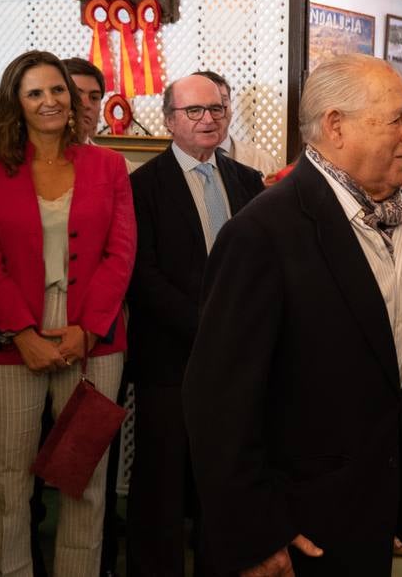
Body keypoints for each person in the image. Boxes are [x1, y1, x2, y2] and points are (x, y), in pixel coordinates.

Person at [182, 54, 402, 576]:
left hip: (368, 507)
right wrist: (255, 531)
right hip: (292, 528)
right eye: (397, 119)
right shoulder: (262, 235)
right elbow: (217, 404)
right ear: (335, 126)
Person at [0, 50, 135, 577]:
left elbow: (120, 252)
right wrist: (21, 333)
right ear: (16, 102)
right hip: (14, 336)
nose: (50, 101)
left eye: (58, 90)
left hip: (93, 337)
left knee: (86, 478)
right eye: (35, 93)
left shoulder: (108, 164)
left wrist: (90, 329)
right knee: (9, 479)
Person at [126, 75, 266, 576]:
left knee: (222, 474)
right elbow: (142, 275)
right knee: (161, 479)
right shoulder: (142, 185)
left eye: (217, 109)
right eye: (193, 111)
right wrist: (205, 327)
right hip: (169, 356)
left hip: (235, 359)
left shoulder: (247, 181)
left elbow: (259, 268)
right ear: (168, 120)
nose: (208, 119)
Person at [193, 70, 282, 176]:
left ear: (231, 107)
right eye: (199, 106)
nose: (209, 117)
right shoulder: (172, 164)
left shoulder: (263, 162)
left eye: (220, 103)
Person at [62, 58, 105, 141]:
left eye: (94, 97)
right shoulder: (31, 153)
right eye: (76, 95)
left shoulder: (107, 154)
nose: (86, 105)